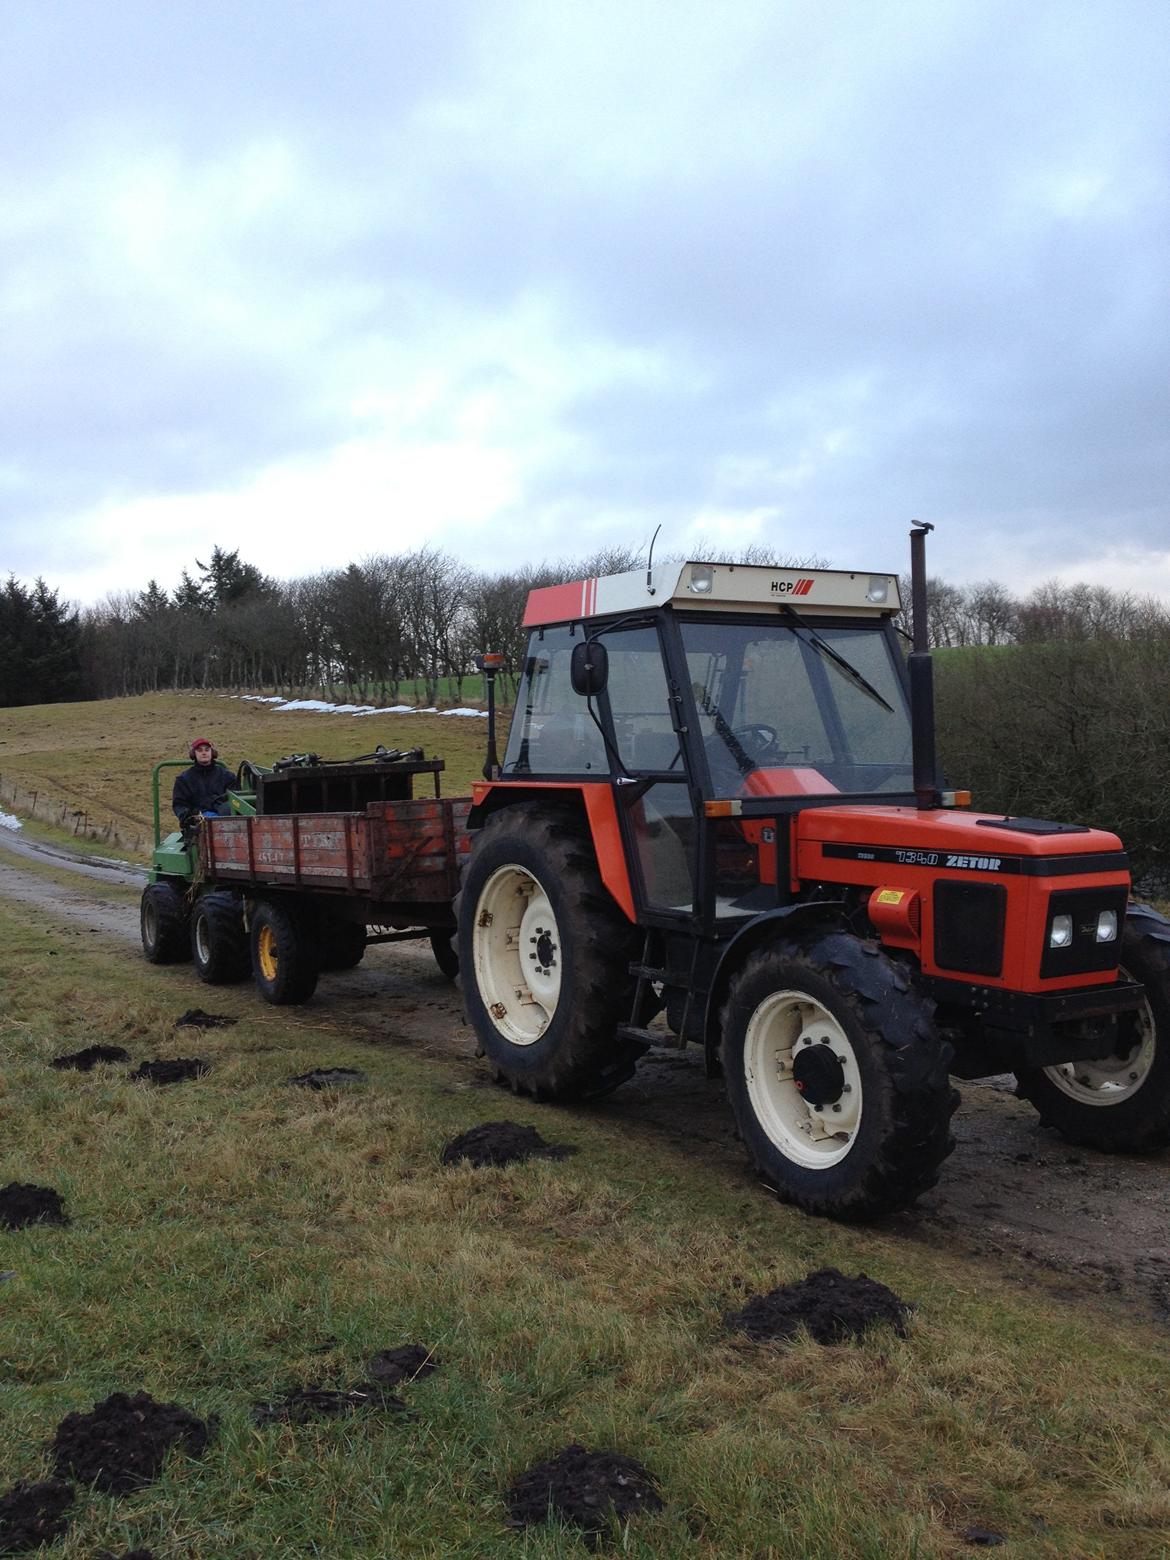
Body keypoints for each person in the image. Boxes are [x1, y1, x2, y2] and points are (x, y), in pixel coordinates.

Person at [173, 738, 236, 826]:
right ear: (193, 754)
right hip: (197, 825)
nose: (204, 753)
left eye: (207, 750)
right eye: (199, 750)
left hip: (227, 823)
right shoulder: (184, 780)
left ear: (212, 752)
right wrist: (191, 816)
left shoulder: (227, 776)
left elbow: (235, 800)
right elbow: (179, 805)